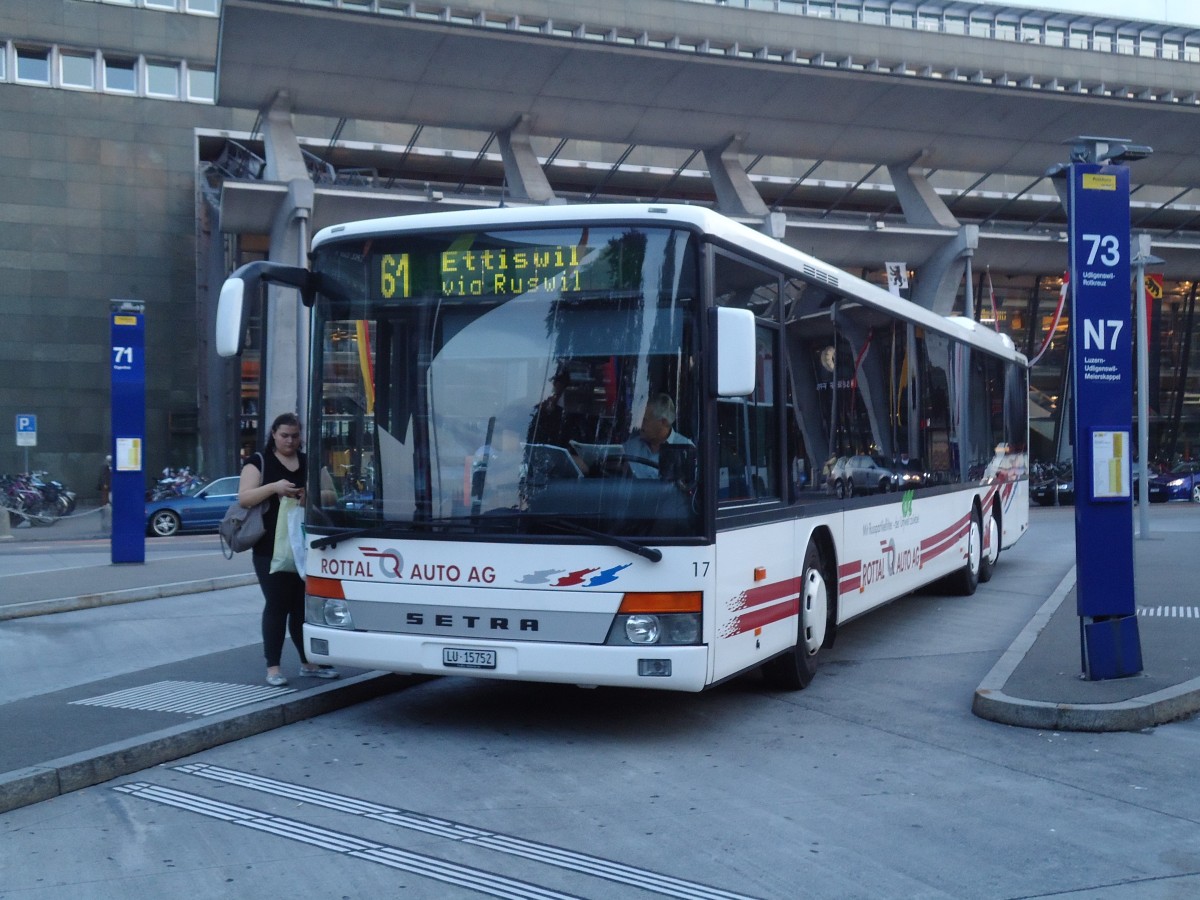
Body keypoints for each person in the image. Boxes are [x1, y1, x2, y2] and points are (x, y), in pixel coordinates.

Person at [238, 412, 338, 687]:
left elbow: (332, 494)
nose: (290, 441)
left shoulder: (309, 461)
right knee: (277, 604)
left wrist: (311, 494)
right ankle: (273, 667)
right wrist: (274, 487)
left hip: (304, 545)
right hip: (268, 547)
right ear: (273, 434)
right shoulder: (259, 462)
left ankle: (308, 662)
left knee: (301, 607)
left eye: (295, 436)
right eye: (284, 436)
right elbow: (244, 498)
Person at [622, 393, 694, 478]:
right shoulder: (630, 447)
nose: (639, 424)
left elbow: (689, 487)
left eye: (644, 420)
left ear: (663, 422)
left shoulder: (685, 449)